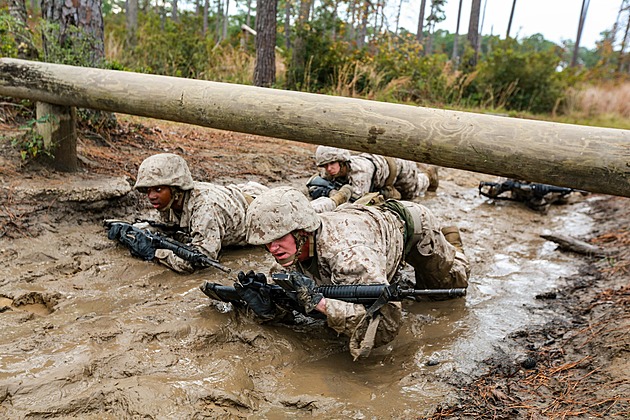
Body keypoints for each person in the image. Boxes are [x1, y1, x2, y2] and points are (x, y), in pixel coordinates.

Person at [240, 186, 470, 360]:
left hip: (414, 226)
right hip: (365, 224)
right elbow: (295, 304)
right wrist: (269, 305)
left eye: (279, 239)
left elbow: (387, 327)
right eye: (266, 242)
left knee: (449, 289)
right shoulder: (286, 255)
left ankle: (454, 245)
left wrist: (323, 305)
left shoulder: (349, 256)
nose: (272, 249)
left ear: (301, 232)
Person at [129, 153, 268, 273]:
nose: (151, 196)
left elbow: (199, 260)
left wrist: (155, 254)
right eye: (148, 190)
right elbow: (170, 229)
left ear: (176, 189)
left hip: (263, 211)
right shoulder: (170, 202)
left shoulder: (205, 208)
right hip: (239, 196)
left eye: (158, 190)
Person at [307, 146, 440, 213]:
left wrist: (334, 195)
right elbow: (313, 183)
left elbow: (358, 202)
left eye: (331, 164)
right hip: (377, 165)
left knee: (412, 194)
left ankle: (429, 176)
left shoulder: (360, 172)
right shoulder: (332, 170)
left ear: (342, 162)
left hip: (399, 167)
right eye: (325, 165)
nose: (328, 169)